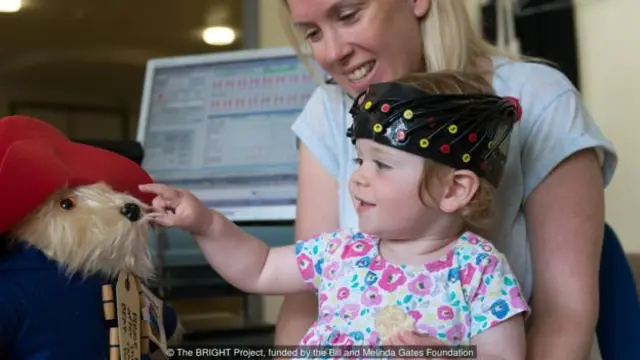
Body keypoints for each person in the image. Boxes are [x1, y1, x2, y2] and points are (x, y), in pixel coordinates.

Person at [278, 1, 617, 360]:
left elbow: (564, 314)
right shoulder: (327, 110)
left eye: (349, 16)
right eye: (312, 34)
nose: (332, 53)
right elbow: (306, 298)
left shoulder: (541, 99)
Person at [141, 72, 529, 358]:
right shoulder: (342, 251)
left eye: (383, 165)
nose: (358, 177)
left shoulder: (478, 270)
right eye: (360, 160)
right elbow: (258, 267)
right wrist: (206, 224)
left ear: (455, 190)